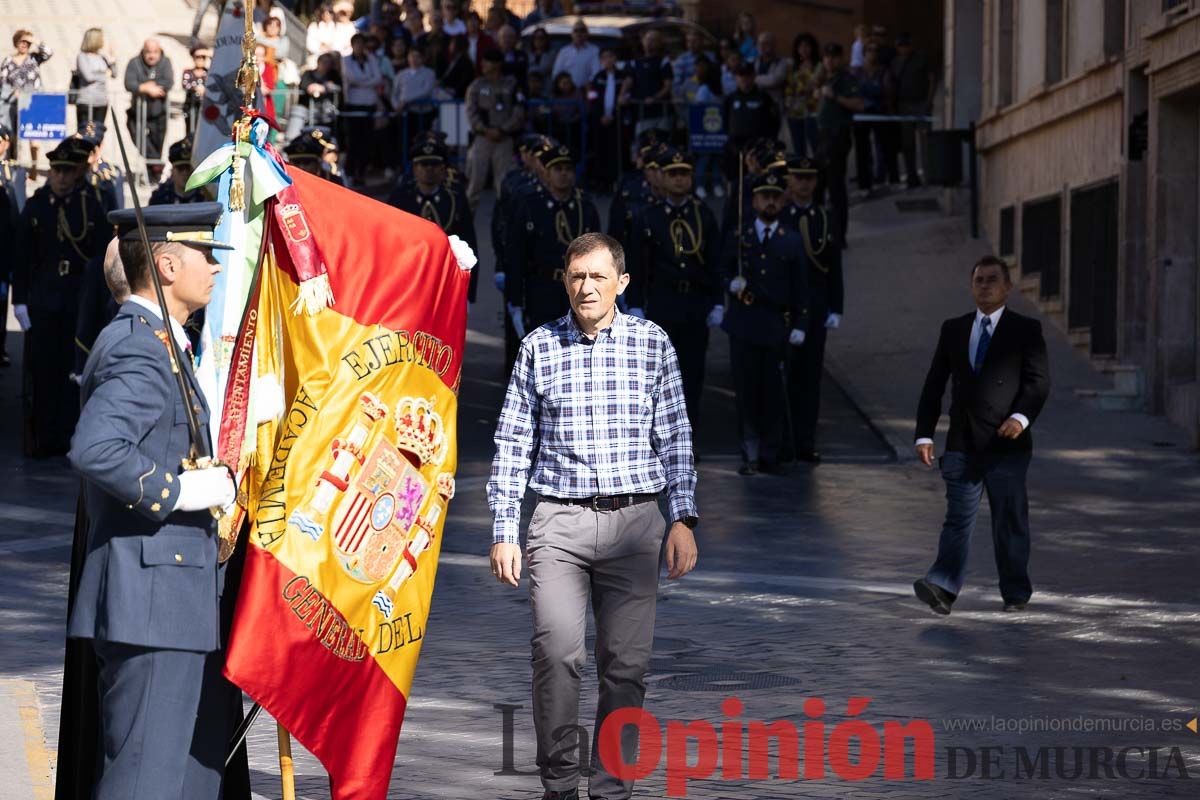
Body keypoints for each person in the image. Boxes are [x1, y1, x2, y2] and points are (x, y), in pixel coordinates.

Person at [487, 230, 699, 800]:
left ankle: (611, 789)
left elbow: (675, 435)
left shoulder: (653, 344)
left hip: (635, 525)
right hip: (558, 523)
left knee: (625, 669)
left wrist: (683, 517)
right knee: (556, 654)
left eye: (598, 277)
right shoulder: (538, 346)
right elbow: (512, 442)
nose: (586, 287)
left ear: (621, 284)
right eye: (577, 276)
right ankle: (559, 785)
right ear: (565, 280)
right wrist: (505, 528)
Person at [67, 202, 238, 799]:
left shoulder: (161, 342)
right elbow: (96, 448)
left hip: (170, 595)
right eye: (207, 256)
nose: (216, 269)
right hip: (151, 597)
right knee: (143, 780)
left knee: (179, 781)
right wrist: (180, 491)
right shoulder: (140, 346)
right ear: (166, 264)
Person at [913, 256, 1051, 615]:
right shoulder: (954, 329)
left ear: (1007, 287)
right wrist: (924, 435)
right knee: (958, 517)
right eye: (979, 280)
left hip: (1007, 444)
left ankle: (1016, 592)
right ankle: (942, 586)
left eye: (992, 280)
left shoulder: (1026, 329)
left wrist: (1020, 418)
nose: (985, 286)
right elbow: (933, 385)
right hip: (962, 440)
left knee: (1009, 519)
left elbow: (1038, 383)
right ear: (971, 286)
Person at [12, 138, 109, 457]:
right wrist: (20, 299)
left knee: (73, 371)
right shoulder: (38, 205)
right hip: (43, 297)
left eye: (68, 170)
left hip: (78, 300)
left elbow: (101, 256)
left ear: (79, 171)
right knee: (42, 370)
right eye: (57, 170)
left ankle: (69, 435)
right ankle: (43, 436)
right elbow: (23, 256)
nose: (62, 177)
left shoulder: (93, 203)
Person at [626, 148, 722, 435]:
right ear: (663, 178)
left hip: (694, 301)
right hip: (662, 302)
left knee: (692, 374)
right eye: (673, 174)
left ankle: (686, 437)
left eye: (684, 174)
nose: (679, 180)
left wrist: (717, 302)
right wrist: (634, 303)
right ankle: (659, 438)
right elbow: (638, 263)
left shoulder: (702, 215)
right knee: (658, 376)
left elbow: (714, 262)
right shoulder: (649, 217)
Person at [720, 172, 808, 476]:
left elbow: (801, 286)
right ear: (754, 200)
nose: (769, 201)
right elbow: (720, 268)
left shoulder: (792, 240)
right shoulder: (739, 237)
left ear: (781, 201)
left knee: (772, 392)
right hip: (744, 322)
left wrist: (801, 323)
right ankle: (750, 450)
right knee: (746, 391)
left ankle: (771, 452)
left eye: (774, 196)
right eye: (763, 196)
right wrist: (731, 282)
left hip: (774, 324)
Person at [780, 157, 842, 463]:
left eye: (809, 178)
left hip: (816, 309)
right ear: (789, 181)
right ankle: (784, 441)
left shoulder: (824, 217)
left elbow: (834, 266)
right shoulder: (781, 217)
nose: (804, 183)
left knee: (810, 379)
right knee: (784, 378)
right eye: (798, 177)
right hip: (787, 310)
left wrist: (836, 305)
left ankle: (806, 441)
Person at [505, 144, 601, 331]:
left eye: (568, 169)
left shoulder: (585, 206)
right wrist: (515, 299)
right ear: (547, 174)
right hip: (542, 288)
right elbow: (516, 254)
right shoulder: (532, 206)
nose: (563, 174)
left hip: (579, 288)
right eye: (557, 169)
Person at [386, 138, 478, 302]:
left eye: (434, 165)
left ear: (443, 169)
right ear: (414, 168)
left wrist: (469, 291)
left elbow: (469, 239)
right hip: (410, 279)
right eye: (423, 165)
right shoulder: (400, 197)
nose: (429, 170)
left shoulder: (454, 198)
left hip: (446, 278)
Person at [815, 42, 862, 247]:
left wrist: (835, 97)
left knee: (835, 188)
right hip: (823, 137)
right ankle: (818, 233)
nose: (829, 60)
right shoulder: (827, 78)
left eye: (833, 56)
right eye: (826, 57)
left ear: (840, 58)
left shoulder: (846, 79)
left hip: (837, 137)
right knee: (817, 187)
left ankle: (839, 236)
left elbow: (858, 104)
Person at [464, 49, 525, 208]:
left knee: (503, 185)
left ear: (498, 64)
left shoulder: (511, 84)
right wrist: (484, 129)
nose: (483, 65)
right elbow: (471, 112)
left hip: (504, 139)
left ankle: (503, 226)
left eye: (487, 61)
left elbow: (519, 111)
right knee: (474, 184)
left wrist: (503, 130)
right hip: (482, 139)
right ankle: (464, 227)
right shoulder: (476, 85)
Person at [124, 39, 174, 183]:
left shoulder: (166, 62)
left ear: (160, 52)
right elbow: (129, 83)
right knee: (140, 140)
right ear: (143, 51)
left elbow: (168, 81)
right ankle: (157, 166)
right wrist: (145, 88)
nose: (151, 56)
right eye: (148, 52)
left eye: (155, 52)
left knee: (158, 144)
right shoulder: (134, 63)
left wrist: (152, 86)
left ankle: (154, 177)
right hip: (137, 113)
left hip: (159, 112)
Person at [1, 30, 52, 164]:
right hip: (12, 104)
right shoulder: (8, 61)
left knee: (33, 135)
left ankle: (34, 167)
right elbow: (3, 82)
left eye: (27, 42)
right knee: (11, 135)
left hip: (32, 103)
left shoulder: (34, 58)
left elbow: (48, 52)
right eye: (21, 41)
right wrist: (13, 92)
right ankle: (12, 164)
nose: (24, 44)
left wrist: (34, 40)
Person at [891, 33, 935, 188]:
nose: (903, 49)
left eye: (905, 45)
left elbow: (931, 79)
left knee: (925, 141)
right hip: (904, 105)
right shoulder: (896, 62)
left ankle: (929, 176)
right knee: (907, 144)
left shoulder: (921, 58)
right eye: (900, 46)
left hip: (921, 103)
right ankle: (912, 176)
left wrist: (928, 102)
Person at [722, 62, 779, 182]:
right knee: (735, 182)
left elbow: (774, 121)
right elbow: (725, 120)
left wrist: (767, 143)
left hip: (758, 147)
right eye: (741, 75)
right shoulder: (730, 98)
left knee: (758, 181)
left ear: (753, 76)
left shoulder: (764, 97)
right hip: (735, 148)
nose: (744, 79)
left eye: (747, 76)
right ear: (736, 77)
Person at [341, 32, 385, 185]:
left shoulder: (371, 59)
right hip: (353, 104)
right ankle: (351, 171)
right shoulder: (346, 60)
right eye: (357, 44)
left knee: (367, 140)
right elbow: (351, 77)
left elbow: (378, 77)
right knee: (354, 140)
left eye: (362, 44)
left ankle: (361, 171)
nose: (359, 47)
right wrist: (368, 82)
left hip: (369, 103)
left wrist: (362, 83)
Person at [853, 39, 897, 192]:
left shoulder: (883, 70)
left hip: (879, 112)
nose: (873, 53)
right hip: (861, 113)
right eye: (869, 50)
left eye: (875, 50)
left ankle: (881, 177)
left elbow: (887, 91)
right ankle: (865, 179)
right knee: (862, 148)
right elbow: (853, 91)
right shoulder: (857, 72)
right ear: (864, 53)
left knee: (882, 146)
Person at [587, 47, 626, 193]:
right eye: (604, 57)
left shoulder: (622, 77)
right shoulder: (598, 77)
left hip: (617, 120)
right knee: (600, 150)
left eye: (610, 56)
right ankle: (601, 182)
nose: (608, 60)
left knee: (615, 150)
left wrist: (614, 115)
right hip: (601, 120)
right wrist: (600, 116)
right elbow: (592, 98)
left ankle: (614, 180)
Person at [621, 30, 673, 136]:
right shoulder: (634, 63)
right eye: (647, 39)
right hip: (642, 114)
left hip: (661, 113)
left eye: (653, 40)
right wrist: (622, 95)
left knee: (661, 144)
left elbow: (667, 86)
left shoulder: (664, 62)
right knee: (643, 145)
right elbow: (628, 82)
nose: (649, 42)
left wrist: (655, 98)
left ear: (659, 43)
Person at [391, 46, 437, 157]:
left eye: (417, 57)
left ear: (423, 58)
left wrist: (405, 101)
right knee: (404, 141)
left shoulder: (429, 73)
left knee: (422, 142)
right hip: (405, 114)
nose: (414, 59)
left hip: (423, 113)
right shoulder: (401, 74)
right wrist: (397, 105)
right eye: (412, 56)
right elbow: (394, 93)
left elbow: (426, 91)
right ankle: (404, 167)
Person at [785, 33, 822, 158]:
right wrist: (789, 99)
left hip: (813, 111)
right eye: (800, 46)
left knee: (817, 147)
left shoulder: (819, 66)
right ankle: (801, 175)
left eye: (807, 46)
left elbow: (813, 84)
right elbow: (789, 87)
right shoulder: (793, 67)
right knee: (798, 150)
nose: (804, 50)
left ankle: (820, 176)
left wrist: (803, 89)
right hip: (795, 112)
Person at [75, 28, 115, 130]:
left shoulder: (102, 57)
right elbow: (88, 76)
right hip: (87, 101)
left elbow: (114, 74)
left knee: (98, 132)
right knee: (87, 132)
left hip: (102, 102)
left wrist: (112, 60)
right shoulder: (82, 57)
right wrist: (105, 75)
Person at [150, 140, 205, 205]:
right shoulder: (159, 199)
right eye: (180, 169)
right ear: (172, 171)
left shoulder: (206, 198)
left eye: (188, 168)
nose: (185, 173)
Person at [552, 19, 600, 95]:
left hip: (587, 93)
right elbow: (557, 73)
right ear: (572, 34)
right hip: (566, 94)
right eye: (576, 30)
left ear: (587, 33)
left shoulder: (594, 51)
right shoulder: (564, 51)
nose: (579, 33)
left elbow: (596, 73)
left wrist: (586, 87)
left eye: (582, 30)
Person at [753, 32, 787, 120]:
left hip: (774, 106)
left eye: (766, 43)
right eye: (760, 43)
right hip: (756, 104)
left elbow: (775, 80)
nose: (762, 46)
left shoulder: (782, 62)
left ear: (773, 45)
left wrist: (754, 78)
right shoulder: (754, 62)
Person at [181, 45, 212, 139]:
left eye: (203, 57)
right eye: (198, 57)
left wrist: (208, 54)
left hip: (206, 109)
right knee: (191, 132)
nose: (200, 59)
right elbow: (185, 85)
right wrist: (196, 88)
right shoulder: (188, 72)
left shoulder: (209, 73)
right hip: (191, 107)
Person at [439, 34, 477, 99]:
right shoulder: (454, 60)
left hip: (458, 98)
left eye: (452, 43)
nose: (449, 46)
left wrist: (454, 91)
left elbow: (465, 81)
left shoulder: (465, 62)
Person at [496, 25, 528, 92]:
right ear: (498, 39)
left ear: (515, 39)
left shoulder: (522, 54)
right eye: (504, 37)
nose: (507, 40)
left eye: (510, 37)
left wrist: (503, 66)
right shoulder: (494, 55)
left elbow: (522, 68)